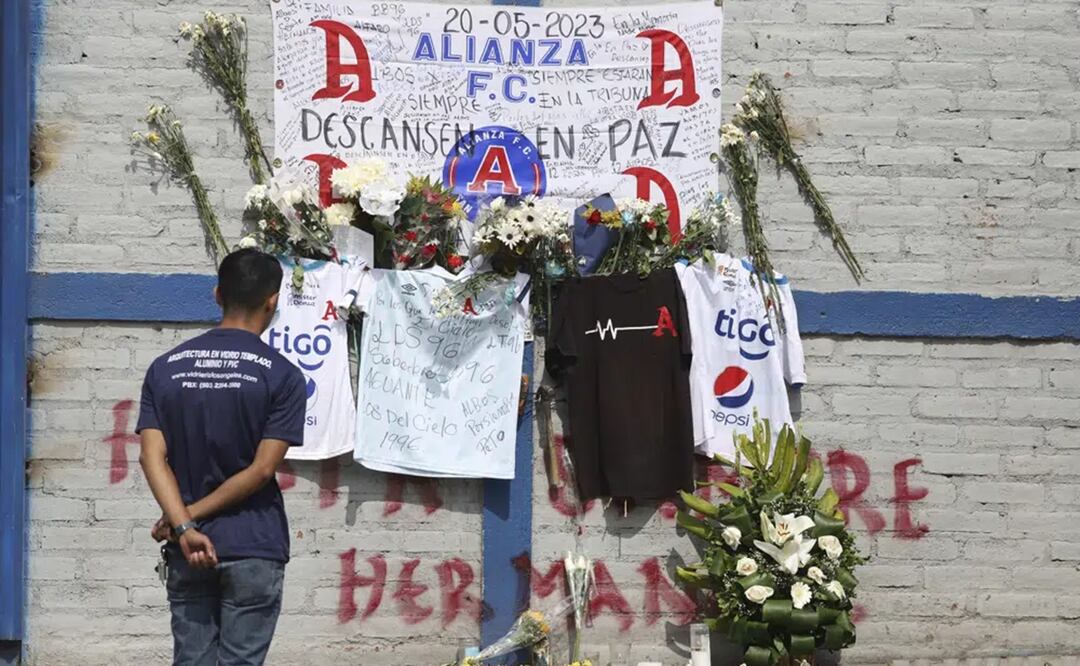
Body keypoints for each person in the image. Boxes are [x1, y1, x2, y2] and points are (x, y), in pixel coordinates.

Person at [137, 248, 306, 665]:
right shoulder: (282, 375)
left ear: (216, 295)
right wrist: (187, 517)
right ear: (273, 301)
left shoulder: (165, 368)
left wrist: (183, 523)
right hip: (254, 544)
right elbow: (262, 470)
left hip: (187, 549)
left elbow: (150, 458)